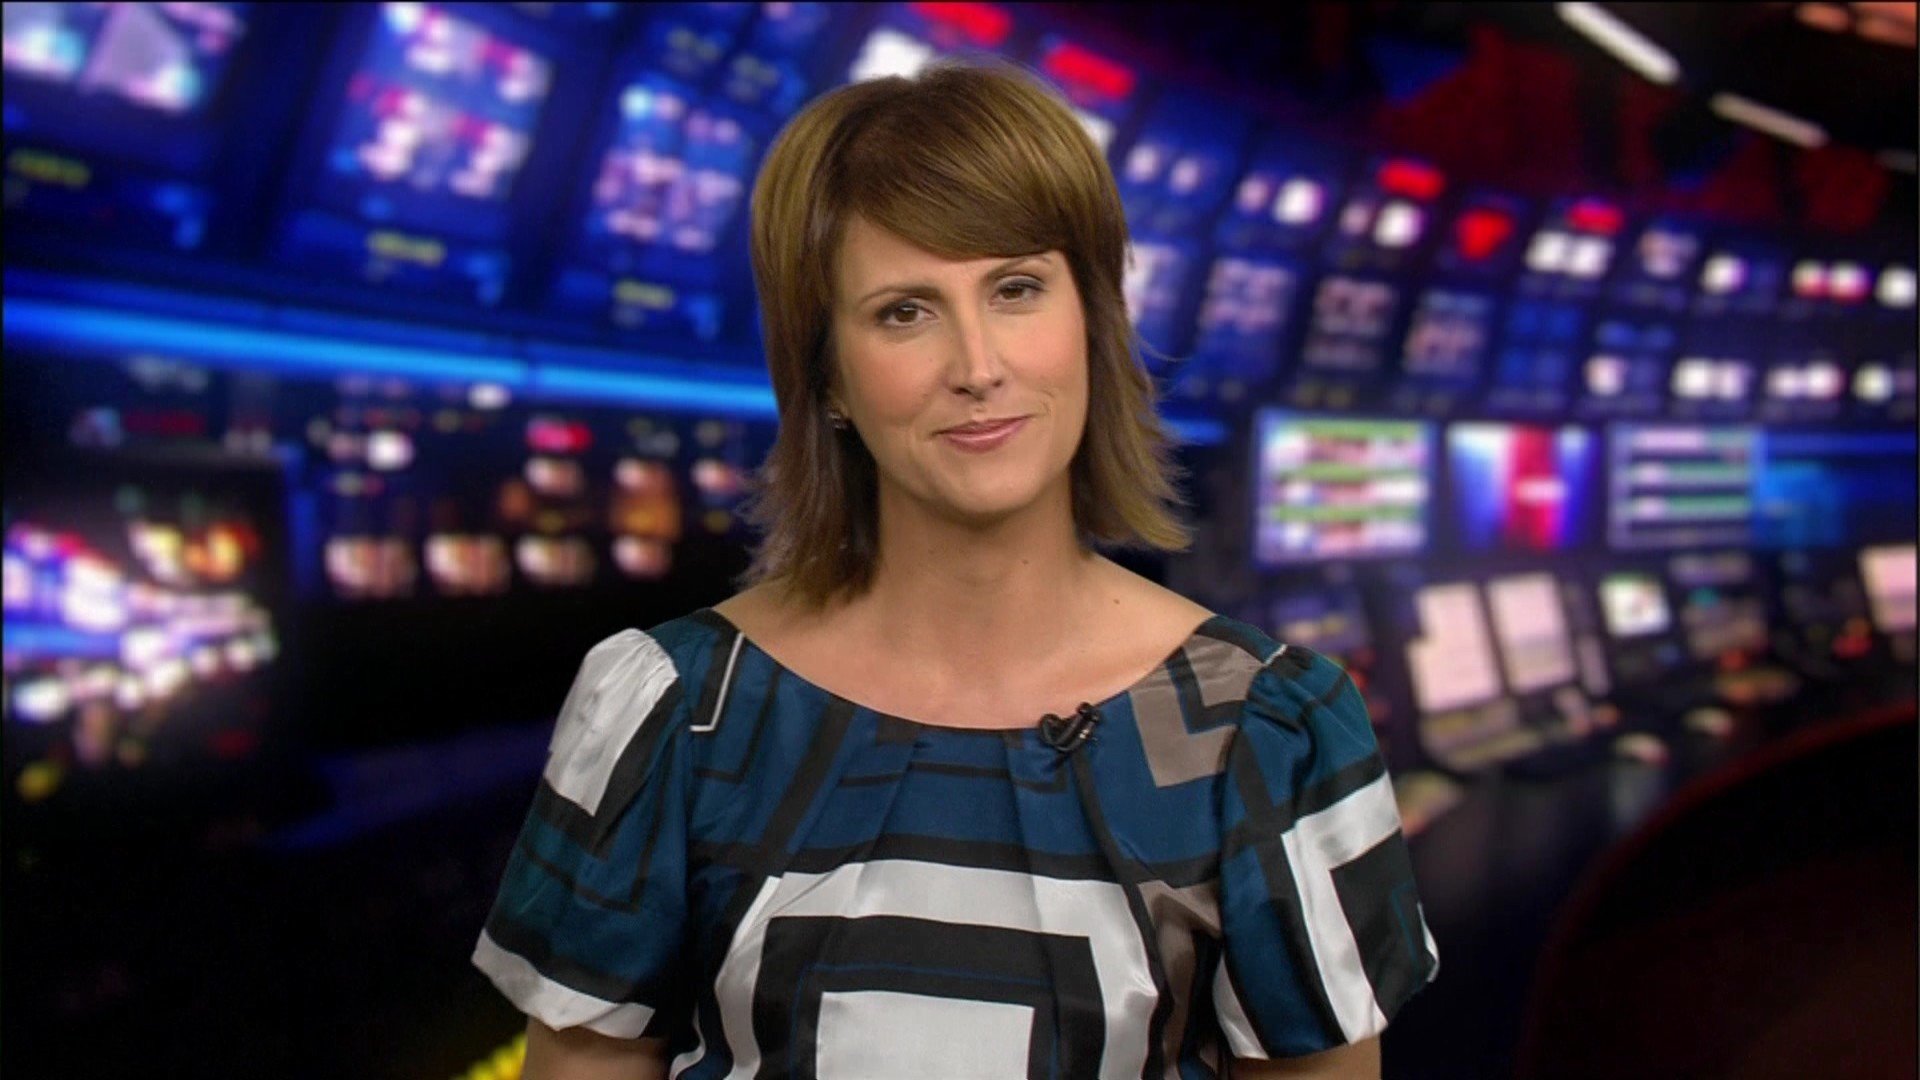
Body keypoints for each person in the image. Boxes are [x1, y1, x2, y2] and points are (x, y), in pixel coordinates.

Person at [473, 57, 1437, 1079]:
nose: (978, 366)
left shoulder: (1273, 731)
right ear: (826, 377)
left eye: (1017, 289)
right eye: (905, 311)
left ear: (1092, 322)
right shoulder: (672, 713)